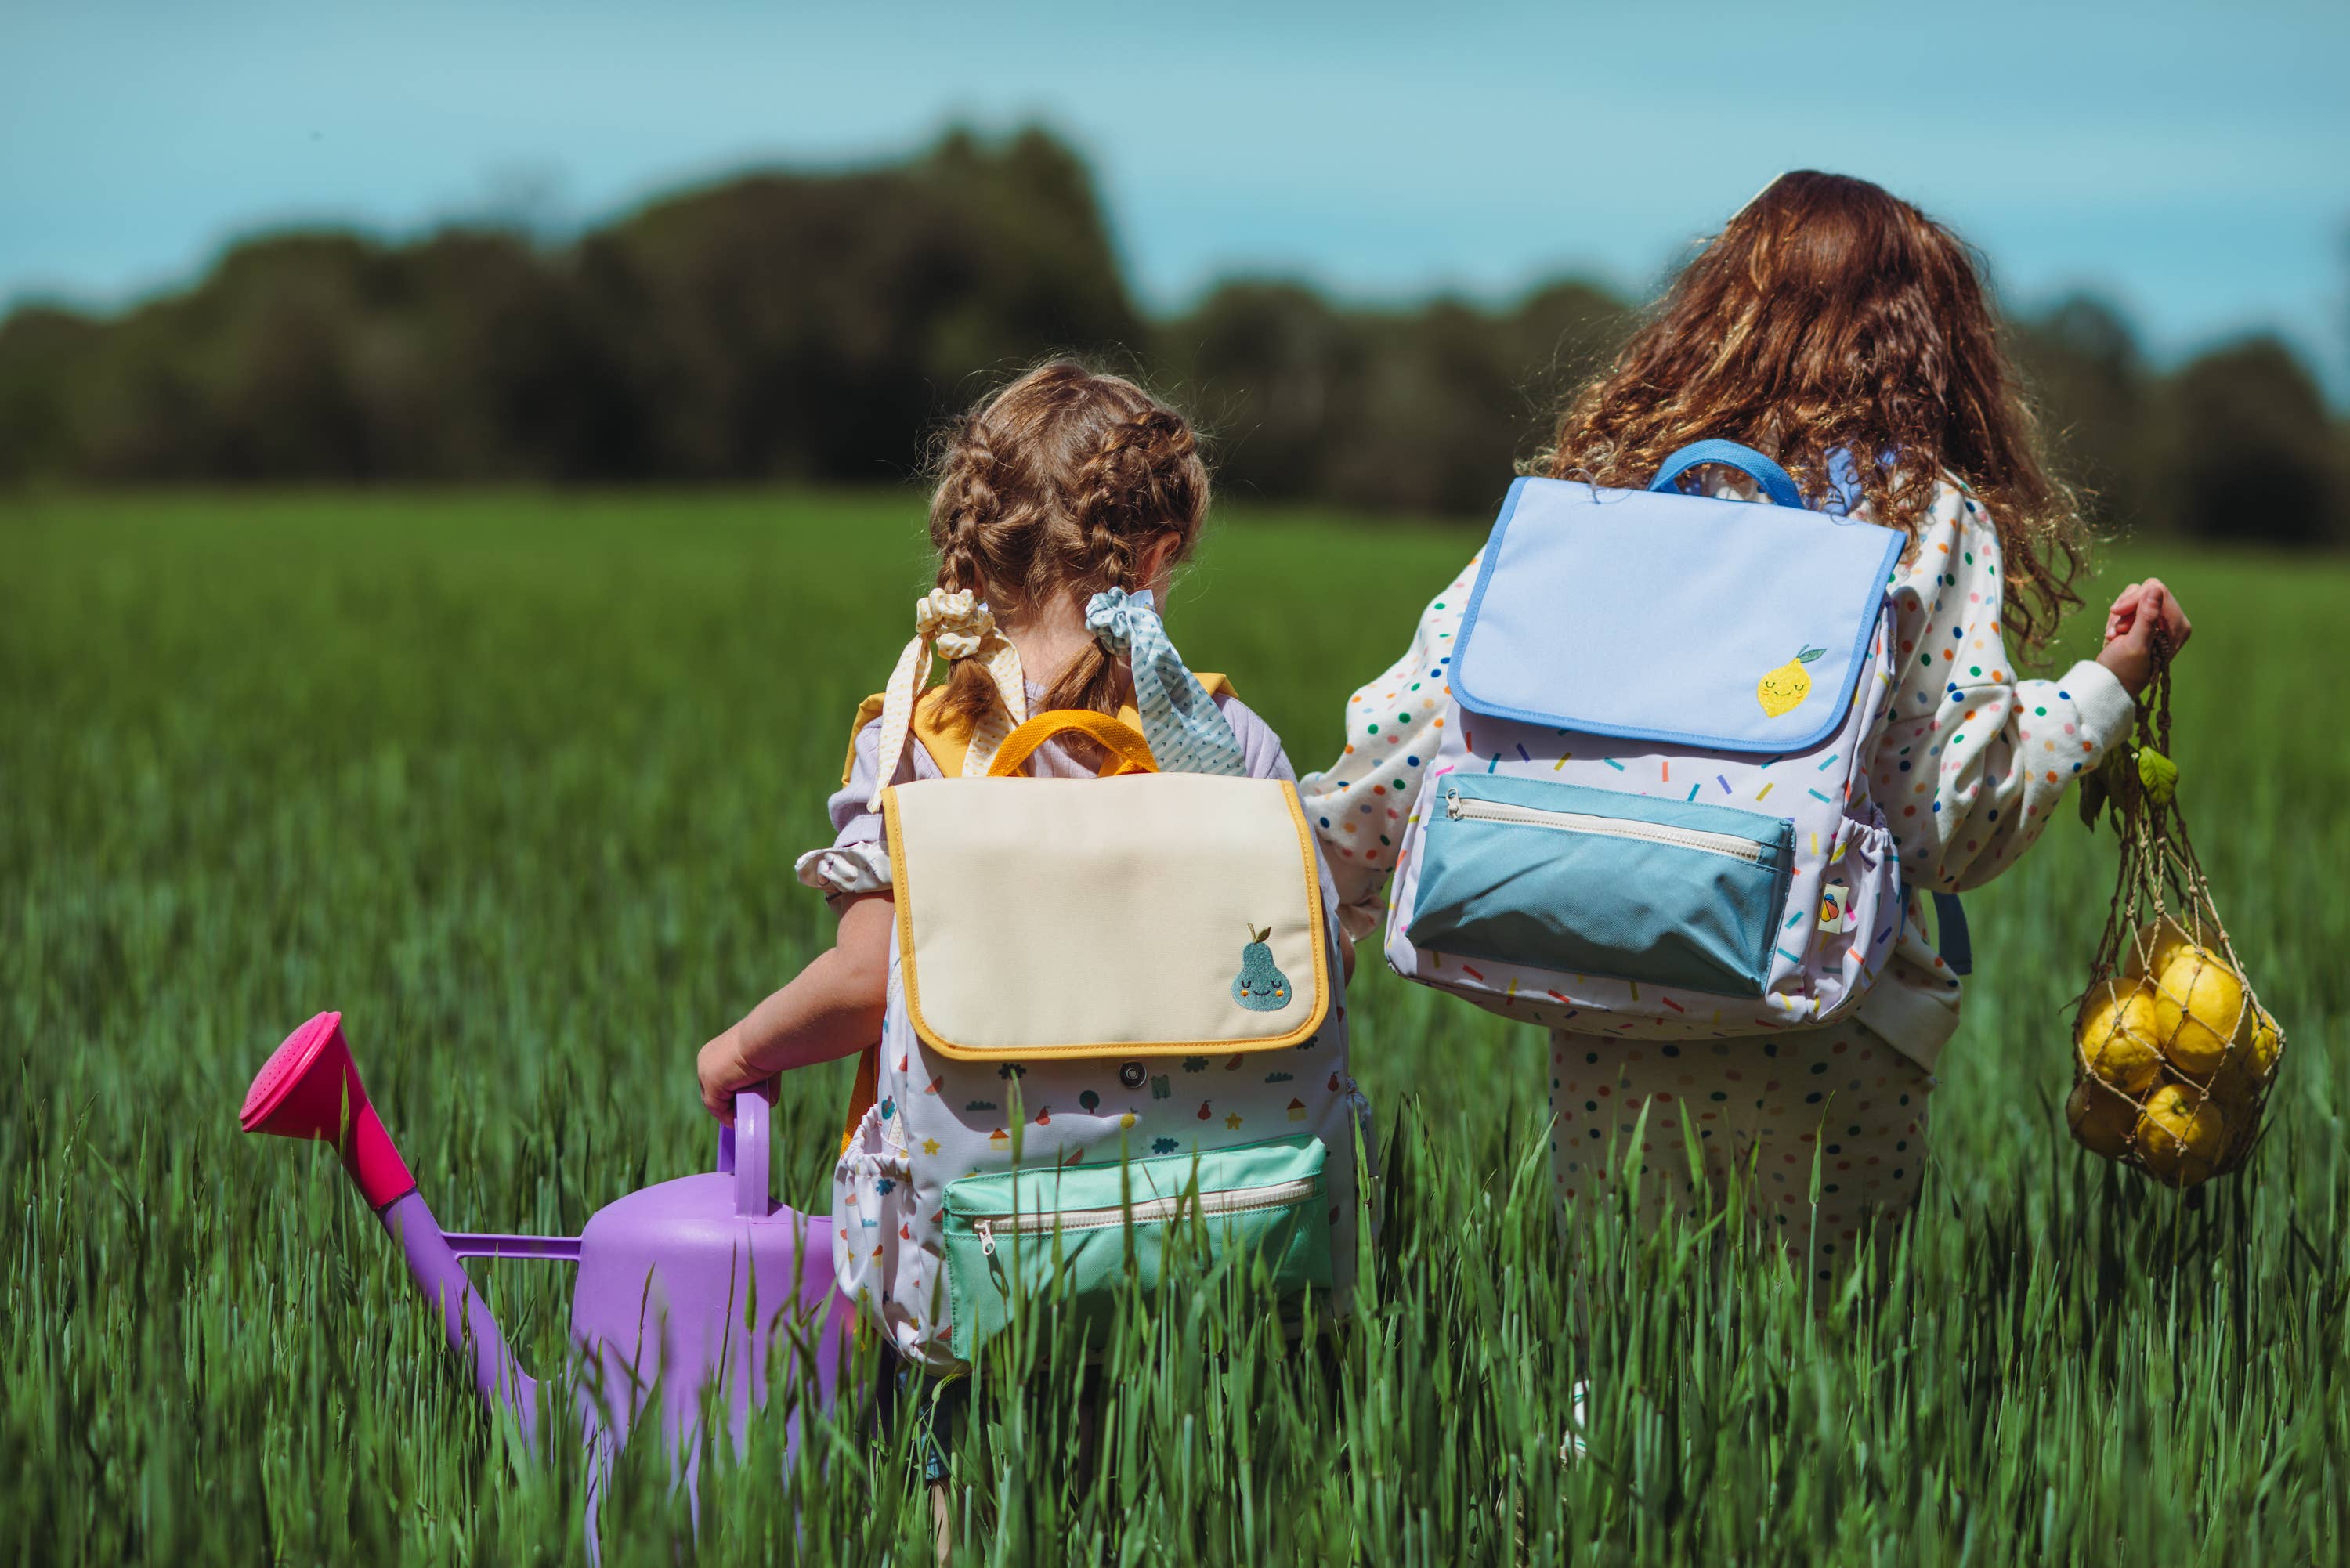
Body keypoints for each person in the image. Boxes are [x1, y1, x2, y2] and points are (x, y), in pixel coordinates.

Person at [1301, 172, 2193, 1267]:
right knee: (1803, 1386)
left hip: (1607, 982)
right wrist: (2106, 687)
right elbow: (1950, 818)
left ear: (1712, 311)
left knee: (1615, 1349)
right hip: (1832, 1016)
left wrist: (1308, 888)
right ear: (1931, 344)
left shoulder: (1603, 496)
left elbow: (1414, 721)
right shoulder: (1917, 514)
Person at [693, 357, 1307, 1117]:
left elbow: (867, 980)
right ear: (1155, 557)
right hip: (1199, 1193)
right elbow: (1306, 957)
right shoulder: (1227, 741)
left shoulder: (917, 744)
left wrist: (745, 1048)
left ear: (973, 553)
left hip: (967, 1203)